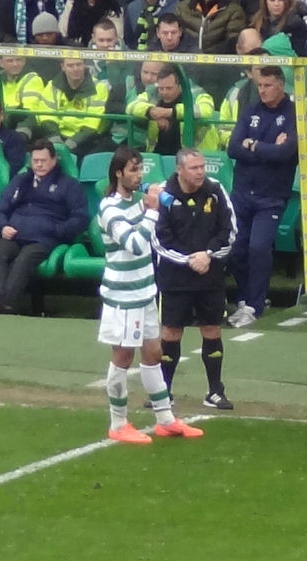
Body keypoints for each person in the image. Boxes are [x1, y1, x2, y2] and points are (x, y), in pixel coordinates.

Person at [96, 148, 208, 445]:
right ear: (119, 173)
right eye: (133, 170)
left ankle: (165, 419)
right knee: (122, 355)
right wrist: (153, 211)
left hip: (145, 290)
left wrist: (152, 205)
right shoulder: (109, 208)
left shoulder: (136, 201)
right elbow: (133, 243)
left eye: (141, 169)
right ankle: (118, 423)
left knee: (153, 353)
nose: (139, 175)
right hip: (123, 294)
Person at [154, 150, 238, 409]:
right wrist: (190, 260)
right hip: (175, 278)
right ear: (180, 170)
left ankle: (215, 391)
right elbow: (159, 239)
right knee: (170, 332)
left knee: (212, 329)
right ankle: (163, 392)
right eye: (194, 168)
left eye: (202, 166)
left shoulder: (216, 191)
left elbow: (230, 230)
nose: (200, 172)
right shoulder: (164, 196)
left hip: (209, 276)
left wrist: (208, 255)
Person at [0, 140, 88, 314]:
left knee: (25, 258)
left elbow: (80, 218)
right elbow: (0, 210)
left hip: (44, 240)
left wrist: (58, 230)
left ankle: (8, 304)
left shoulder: (69, 185)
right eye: (35, 160)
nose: (39, 164)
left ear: (54, 160)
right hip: (14, 235)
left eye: (43, 160)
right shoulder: (20, 181)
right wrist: (3, 226)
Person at [225, 66, 297, 327]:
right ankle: (246, 300)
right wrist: (268, 149)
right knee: (235, 248)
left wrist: (253, 145)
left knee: (258, 248)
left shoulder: (292, 114)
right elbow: (233, 148)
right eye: (259, 86)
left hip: (271, 197)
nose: (262, 90)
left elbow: (287, 153)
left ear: (280, 85)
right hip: (242, 193)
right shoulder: (251, 110)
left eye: (267, 85)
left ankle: (254, 306)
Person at [128, 65, 218, 155]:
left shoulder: (197, 94)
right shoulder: (152, 92)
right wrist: (151, 112)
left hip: (195, 155)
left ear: (180, 86)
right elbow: (131, 107)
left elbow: (206, 110)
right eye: (161, 88)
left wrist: (171, 112)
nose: (164, 92)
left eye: (169, 88)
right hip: (158, 154)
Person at [38, 57, 113, 156]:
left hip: (86, 141)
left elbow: (92, 124)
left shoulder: (99, 88)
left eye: (79, 64)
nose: (75, 69)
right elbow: (46, 116)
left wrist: (68, 146)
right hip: (56, 137)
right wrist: (56, 142)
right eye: (70, 65)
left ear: (85, 65)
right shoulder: (52, 86)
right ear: (62, 67)